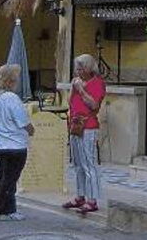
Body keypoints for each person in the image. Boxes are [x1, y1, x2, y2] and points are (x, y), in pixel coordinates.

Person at [62, 54, 106, 214]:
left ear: (89, 68)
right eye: (77, 69)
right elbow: (70, 102)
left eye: (81, 68)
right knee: (78, 163)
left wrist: (81, 90)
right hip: (75, 125)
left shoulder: (97, 83)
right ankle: (80, 195)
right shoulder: (76, 81)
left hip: (88, 126)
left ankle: (92, 200)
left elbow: (94, 105)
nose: (78, 71)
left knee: (89, 163)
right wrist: (73, 89)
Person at [0, 64, 33, 222]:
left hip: (2, 143)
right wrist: (31, 129)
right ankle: (8, 210)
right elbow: (22, 121)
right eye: (16, 79)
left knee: (3, 177)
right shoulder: (12, 98)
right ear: (10, 81)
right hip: (15, 144)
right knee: (11, 179)